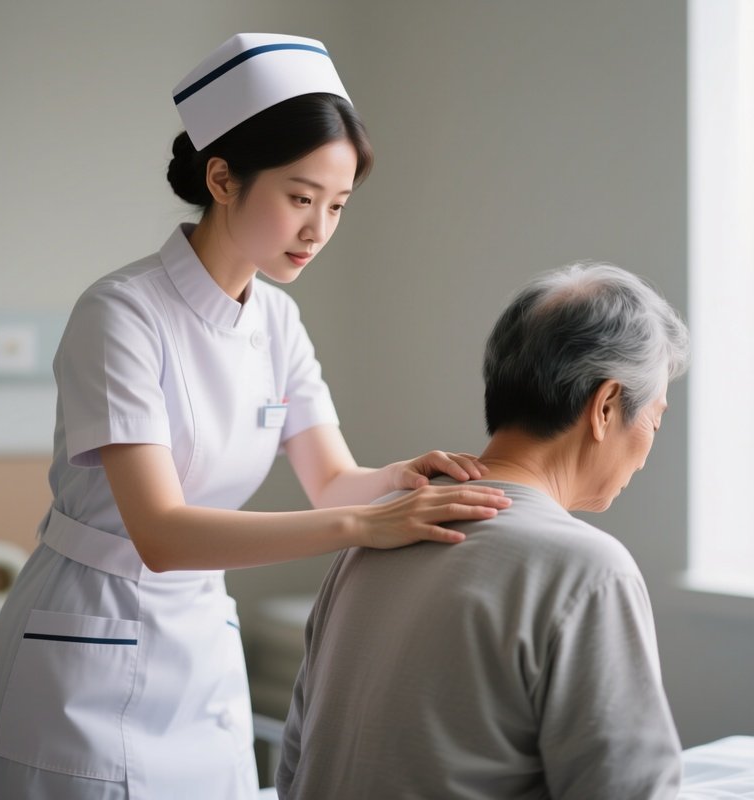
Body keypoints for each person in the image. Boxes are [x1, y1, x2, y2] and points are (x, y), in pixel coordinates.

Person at [0, 33, 510, 800]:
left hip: (199, 646)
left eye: (338, 205)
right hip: (85, 642)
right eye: (299, 197)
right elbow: (163, 531)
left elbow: (335, 481)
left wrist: (401, 483)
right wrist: (361, 526)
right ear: (222, 177)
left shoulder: (276, 322)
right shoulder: (120, 314)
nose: (319, 229)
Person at [277, 263, 689, 800]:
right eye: (654, 420)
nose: (645, 455)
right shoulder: (586, 569)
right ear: (606, 407)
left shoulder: (378, 531)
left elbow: (294, 771)